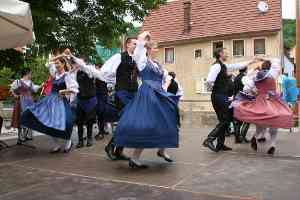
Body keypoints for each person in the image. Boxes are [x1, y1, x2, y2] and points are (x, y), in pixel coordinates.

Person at [114, 32, 182, 169]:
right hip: (148, 94)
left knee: (167, 119)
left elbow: (167, 77)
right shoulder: (142, 60)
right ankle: (135, 157)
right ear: (149, 49)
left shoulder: (157, 64)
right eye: (155, 47)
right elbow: (139, 43)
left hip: (158, 94)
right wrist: (146, 35)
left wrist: (165, 87)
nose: (157, 49)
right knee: (147, 124)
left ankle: (162, 150)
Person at [233, 59, 293, 154]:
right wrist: (267, 59)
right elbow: (276, 63)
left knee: (261, 122)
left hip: (260, 101)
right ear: (270, 67)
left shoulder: (256, 76)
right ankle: (272, 144)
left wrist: (254, 89)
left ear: (262, 67)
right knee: (275, 121)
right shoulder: (272, 74)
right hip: (273, 100)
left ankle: (255, 137)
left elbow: (246, 88)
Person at [203, 48, 257, 152]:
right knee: (226, 120)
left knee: (224, 121)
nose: (227, 55)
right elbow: (209, 81)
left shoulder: (223, 66)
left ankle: (220, 144)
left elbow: (237, 65)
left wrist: (251, 61)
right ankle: (209, 139)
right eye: (225, 53)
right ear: (220, 54)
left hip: (221, 95)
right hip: (219, 96)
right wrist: (217, 88)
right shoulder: (217, 66)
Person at [21, 57, 79, 153]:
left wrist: (63, 91)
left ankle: (68, 142)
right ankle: (56, 144)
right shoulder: (54, 74)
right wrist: (61, 55)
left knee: (67, 122)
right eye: (55, 64)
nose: (56, 65)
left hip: (61, 101)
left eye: (58, 63)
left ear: (63, 64)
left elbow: (75, 89)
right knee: (47, 122)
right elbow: (48, 63)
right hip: (50, 101)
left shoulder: (67, 75)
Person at [99, 37, 139, 161]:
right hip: (122, 93)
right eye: (134, 44)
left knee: (130, 123)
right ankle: (111, 146)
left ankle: (119, 150)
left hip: (134, 93)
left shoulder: (137, 59)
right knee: (126, 121)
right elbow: (105, 71)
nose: (136, 46)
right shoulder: (118, 57)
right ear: (127, 45)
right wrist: (114, 82)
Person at [11, 68, 40, 143]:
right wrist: (15, 95)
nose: (31, 75)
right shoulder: (18, 81)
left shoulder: (30, 82)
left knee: (27, 118)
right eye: (30, 73)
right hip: (20, 102)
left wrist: (41, 85)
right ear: (27, 73)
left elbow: (34, 89)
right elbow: (12, 90)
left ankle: (25, 135)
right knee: (20, 118)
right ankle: (19, 137)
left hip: (29, 102)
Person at [233, 68, 250, 143]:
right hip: (243, 99)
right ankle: (242, 137)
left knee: (237, 120)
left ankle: (237, 138)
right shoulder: (244, 78)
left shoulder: (236, 77)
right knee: (247, 119)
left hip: (236, 99)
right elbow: (247, 89)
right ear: (245, 70)